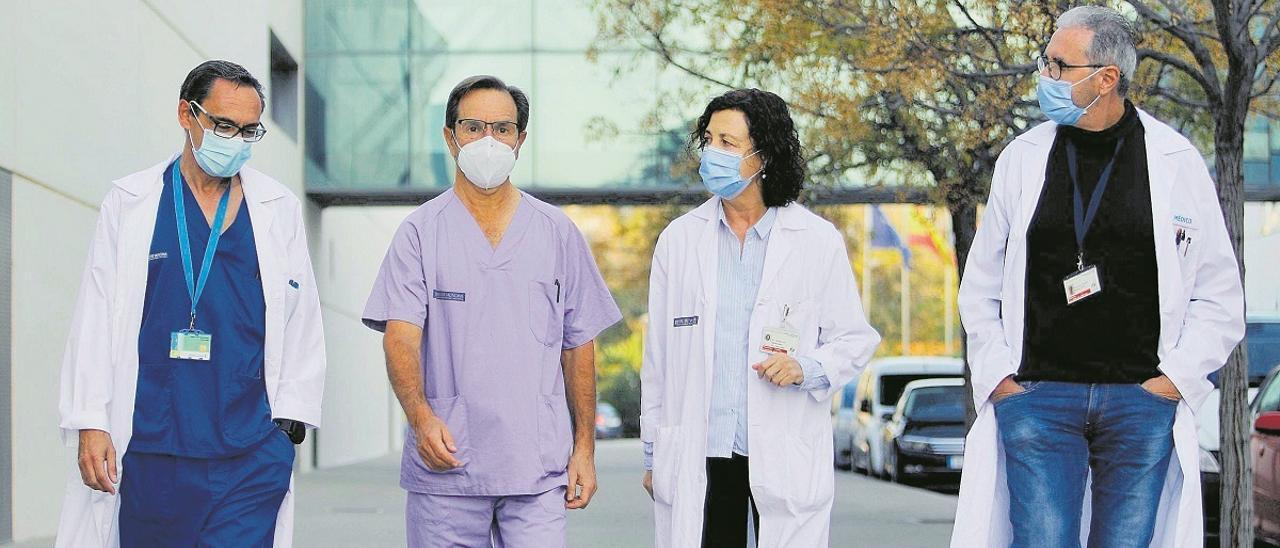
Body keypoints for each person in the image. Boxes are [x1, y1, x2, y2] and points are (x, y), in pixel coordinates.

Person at [951, 7, 1245, 547]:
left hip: (1140, 402)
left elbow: (1219, 295)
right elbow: (981, 287)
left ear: (1106, 79)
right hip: (1037, 399)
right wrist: (1000, 379)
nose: (1044, 75)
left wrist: (1173, 381)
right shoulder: (1023, 158)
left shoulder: (1176, 160)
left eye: (1059, 65)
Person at [56, 60, 327, 547]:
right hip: (151, 447)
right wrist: (90, 421)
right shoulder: (132, 201)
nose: (237, 141)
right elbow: (95, 315)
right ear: (187, 114)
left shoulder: (277, 207)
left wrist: (287, 429)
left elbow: (302, 316)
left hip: (251, 450)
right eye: (224, 126)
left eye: (249, 131)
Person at [362, 75, 623, 548]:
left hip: (538, 468)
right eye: (474, 126)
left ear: (521, 140)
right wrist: (420, 417)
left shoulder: (557, 233)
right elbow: (399, 336)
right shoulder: (420, 234)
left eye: (502, 129)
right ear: (450, 136)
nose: (488, 140)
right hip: (447, 465)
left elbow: (578, 344)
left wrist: (584, 446)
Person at [641, 88, 881, 547]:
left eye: (728, 143)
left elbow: (854, 338)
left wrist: (806, 368)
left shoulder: (815, 240)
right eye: (709, 139)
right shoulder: (679, 240)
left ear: (764, 155)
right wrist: (654, 455)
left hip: (780, 447)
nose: (713, 153)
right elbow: (658, 361)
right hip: (701, 451)